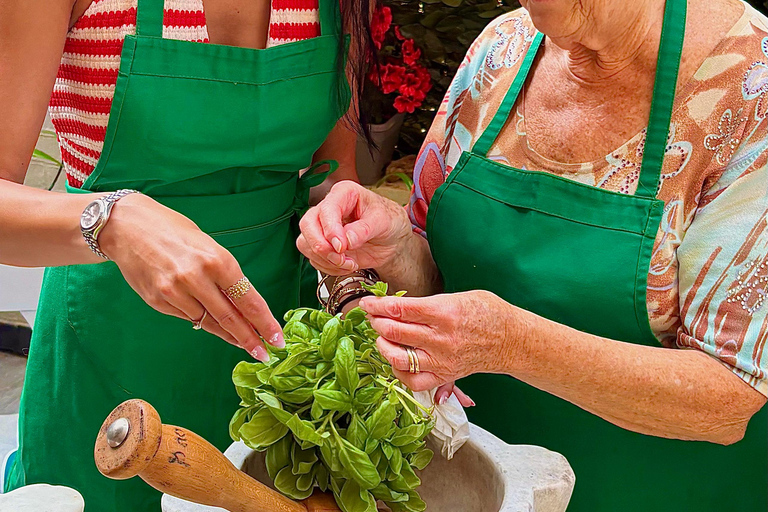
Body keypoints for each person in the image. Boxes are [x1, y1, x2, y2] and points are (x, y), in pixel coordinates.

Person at [297, 0, 768, 510]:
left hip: (655, 491)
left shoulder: (749, 86)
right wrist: (395, 249)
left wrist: (512, 345)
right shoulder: (504, 48)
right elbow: (443, 280)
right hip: (475, 485)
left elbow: (728, 401)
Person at [0, 0, 374, 509]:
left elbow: (332, 175)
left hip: (282, 364)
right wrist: (114, 220)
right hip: (110, 359)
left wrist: (351, 276)